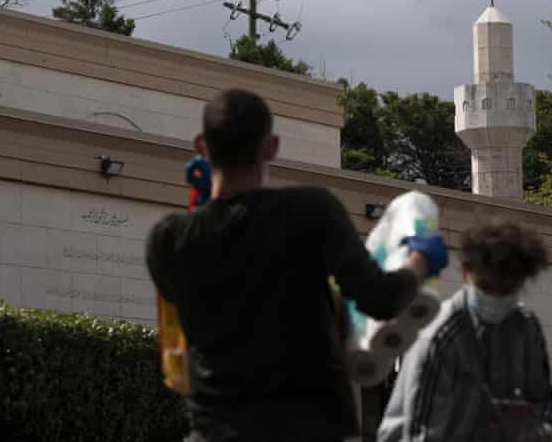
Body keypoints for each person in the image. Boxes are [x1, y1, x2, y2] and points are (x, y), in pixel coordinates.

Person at [145, 88, 449, 442]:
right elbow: (379, 298)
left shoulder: (168, 239)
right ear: (271, 146)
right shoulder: (311, 210)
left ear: (201, 145)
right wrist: (420, 260)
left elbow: (198, 288)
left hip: (218, 430)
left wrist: (200, 214)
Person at [377, 220, 552, 442]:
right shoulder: (441, 338)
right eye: (487, 287)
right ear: (465, 273)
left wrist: (544, 432)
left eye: (508, 289)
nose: (497, 297)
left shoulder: (526, 329)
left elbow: (544, 401)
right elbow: (421, 433)